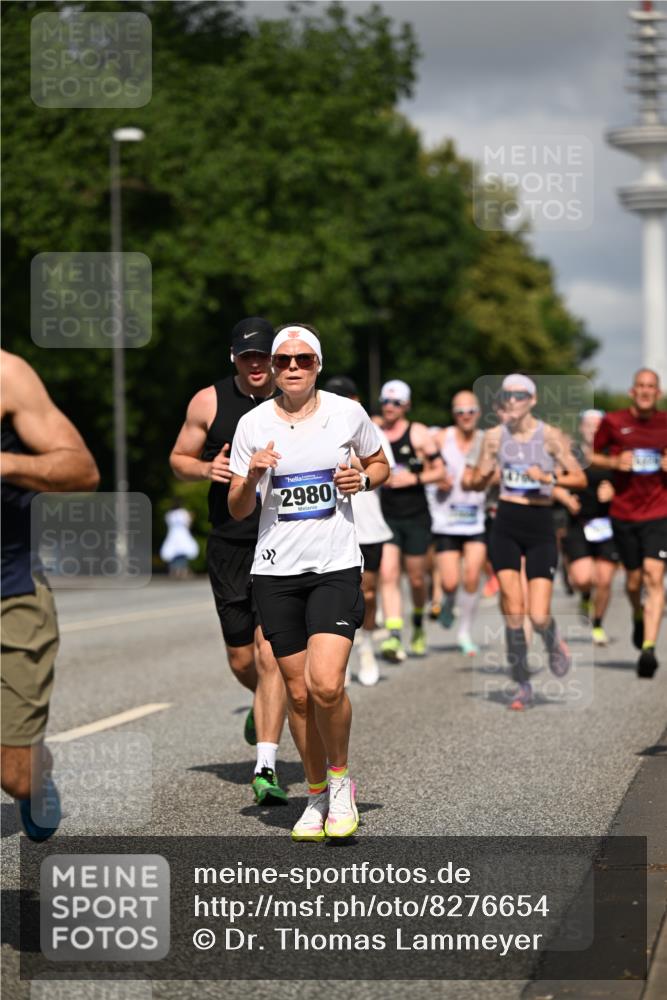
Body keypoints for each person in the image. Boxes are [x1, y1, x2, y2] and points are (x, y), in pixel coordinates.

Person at [228, 325, 389, 841]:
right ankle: (315, 794)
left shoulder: (347, 412)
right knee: (296, 695)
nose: (292, 368)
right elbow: (237, 508)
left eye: (303, 360)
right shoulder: (252, 424)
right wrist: (251, 476)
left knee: (325, 684)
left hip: (335, 564)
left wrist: (361, 479)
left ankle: (340, 784)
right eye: (282, 361)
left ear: (317, 365)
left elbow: (381, 463)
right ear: (272, 369)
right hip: (275, 570)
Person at [169, 317, 288, 804]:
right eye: (247, 356)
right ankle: (260, 701)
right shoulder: (209, 401)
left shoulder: (295, 397)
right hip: (229, 542)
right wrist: (204, 467)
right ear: (234, 357)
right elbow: (178, 458)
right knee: (243, 660)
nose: (256, 364)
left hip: (282, 540)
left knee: (270, 655)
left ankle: (266, 766)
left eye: (263, 355)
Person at [1, 350, 100, 840]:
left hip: (10, 591)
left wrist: (5, 463)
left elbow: (82, 471)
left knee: (14, 774)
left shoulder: (8, 375)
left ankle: (34, 768)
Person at [470, 374, 586, 710]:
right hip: (506, 522)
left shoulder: (550, 436)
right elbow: (476, 482)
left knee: (538, 614)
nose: (513, 400)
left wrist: (548, 477)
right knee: (514, 611)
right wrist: (485, 473)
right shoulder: (493, 437)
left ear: (532, 400)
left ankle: (552, 641)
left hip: (539, 526)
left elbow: (578, 478)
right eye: (507, 395)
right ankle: (521, 683)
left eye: (520, 395)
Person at [592, 369, 667, 678]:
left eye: (652, 386)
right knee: (633, 581)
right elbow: (592, 455)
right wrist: (612, 462)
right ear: (632, 391)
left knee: (654, 575)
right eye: (641, 386)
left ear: (658, 393)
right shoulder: (613, 421)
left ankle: (649, 647)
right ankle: (638, 613)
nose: (646, 391)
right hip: (623, 512)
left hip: (659, 511)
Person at [324, 375, 394, 686]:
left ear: (356, 401)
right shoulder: (316, 427)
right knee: (334, 596)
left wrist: (347, 456)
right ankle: (343, 655)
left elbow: (382, 467)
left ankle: (365, 645)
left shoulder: (369, 428)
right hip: (331, 526)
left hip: (368, 528)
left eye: (344, 398)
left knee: (367, 592)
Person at [376, 380, 445, 661]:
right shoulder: (374, 429)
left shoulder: (418, 433)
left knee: (417, 579)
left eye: (396, 403)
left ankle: (417, 623)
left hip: (416, 515)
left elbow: (440, 472)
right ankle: (394, 635)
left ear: (406, 406)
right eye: (386, 402)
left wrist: (412, 478)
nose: (390, 407)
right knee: (388, 573)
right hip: (387, 515)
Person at [431, 392, 486, 656]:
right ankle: (449, 599)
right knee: (450, 582)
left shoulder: (486, 442)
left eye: (471, 411)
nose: (466, 416)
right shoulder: (442, 438)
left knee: (473, 576)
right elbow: (427, 468)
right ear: (454, 414)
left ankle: (465, 632)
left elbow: (497, 473)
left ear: (478, 413)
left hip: (476, 520)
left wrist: (483, 479)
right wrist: (436, 478)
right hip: (446, 521)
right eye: (461, 411)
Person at [557, 410, 618, 646]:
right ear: (581, 428)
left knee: (604, 580)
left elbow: (630, 486)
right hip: (578, 523)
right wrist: (565, 498)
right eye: (588, 424)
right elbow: (551, 480)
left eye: (598, 425)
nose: (593, 429)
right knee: (584, 579)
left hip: (608, 523)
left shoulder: (613, 454)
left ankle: (598, 624)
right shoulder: (570, 454)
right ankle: (584, 595)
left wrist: (614, 492)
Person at [160, 501, 199, 579]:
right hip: (183, 534)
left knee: (173, 554)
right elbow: (188, 524)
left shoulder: (169, 514)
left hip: (173, 535)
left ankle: (174, 571)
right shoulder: (183, 513)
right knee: (183, 554)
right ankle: (182, 571)